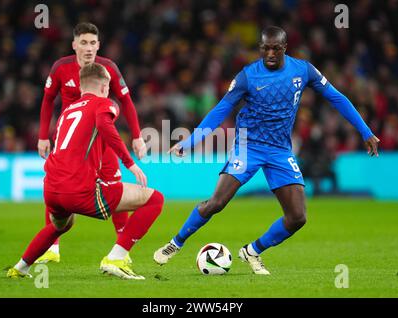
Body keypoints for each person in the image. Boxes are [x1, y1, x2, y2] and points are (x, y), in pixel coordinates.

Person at [153, 26, 380, 274]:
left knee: (297, 217)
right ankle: (176, 243)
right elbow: (220, 110)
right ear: (260, 48)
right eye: (266, 48)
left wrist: (365, 131)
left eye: (276, 48)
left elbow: (336, 97)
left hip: (280, 150)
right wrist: (191, 141)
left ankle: (252, 251)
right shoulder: (248, 76)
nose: (270, 53)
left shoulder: (303, 70)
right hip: (247, 146)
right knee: (217, 203)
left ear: (284, 48)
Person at [8, 63, 163, 280]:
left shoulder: (67, 112)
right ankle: (116, 258)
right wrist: (130, 163)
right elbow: (105, 126)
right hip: (78, 191)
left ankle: (20, 267)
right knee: (155, 199)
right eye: (108, 86)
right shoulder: (104, 104)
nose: (109, 90)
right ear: (103, 86)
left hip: (51, 189)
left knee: (60, 225)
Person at [36, 22, 146, 264]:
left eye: (93, 43)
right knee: (58, 182)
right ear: (74, 45)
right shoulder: (61, 68)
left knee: (114, 185)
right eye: (83, 43)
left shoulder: (108, 69)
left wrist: (137, 135)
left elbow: (126, 102)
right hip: (70, 141)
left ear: (99, 45)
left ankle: (121, 248)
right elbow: (47, 101)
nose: (88, 48)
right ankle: (52, 248)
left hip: (101, 139)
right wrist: (43, 135)